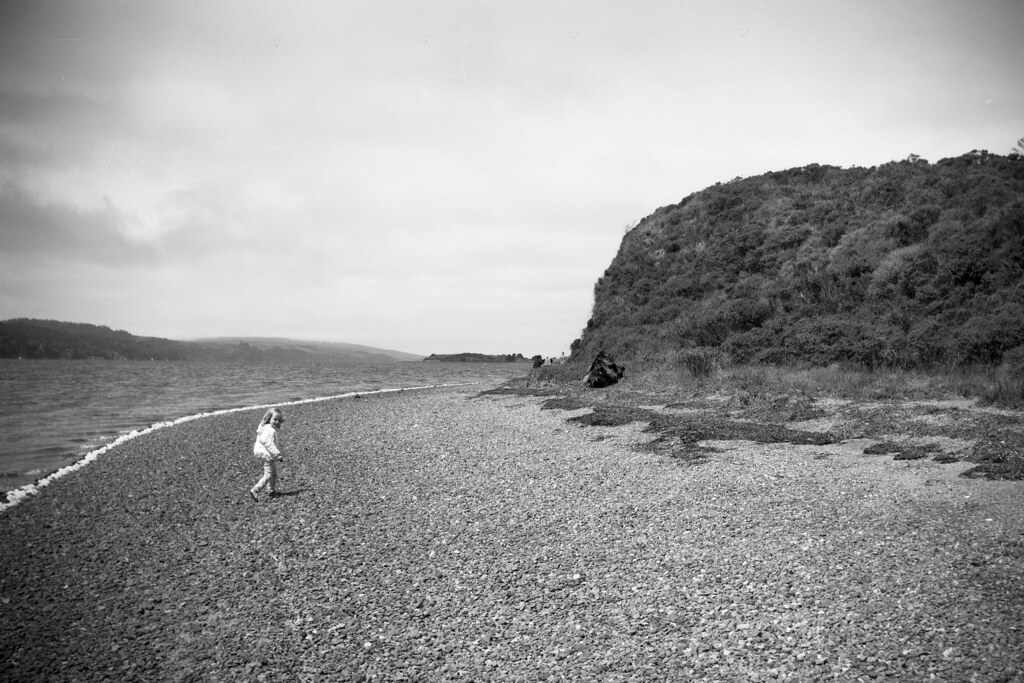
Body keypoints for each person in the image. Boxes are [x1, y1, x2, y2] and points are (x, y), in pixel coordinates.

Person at [250, 407, 285, 502]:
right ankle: (255, 489)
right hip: (267, 455)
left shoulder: (265, 428)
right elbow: (268, 443)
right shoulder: (269, 430)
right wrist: (277, 455)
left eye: (279, 420)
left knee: (273, 474)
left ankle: (271, 491)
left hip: (264, 454)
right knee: (268, 474)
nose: (277, 422)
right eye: (275, 419)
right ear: (269, 418)